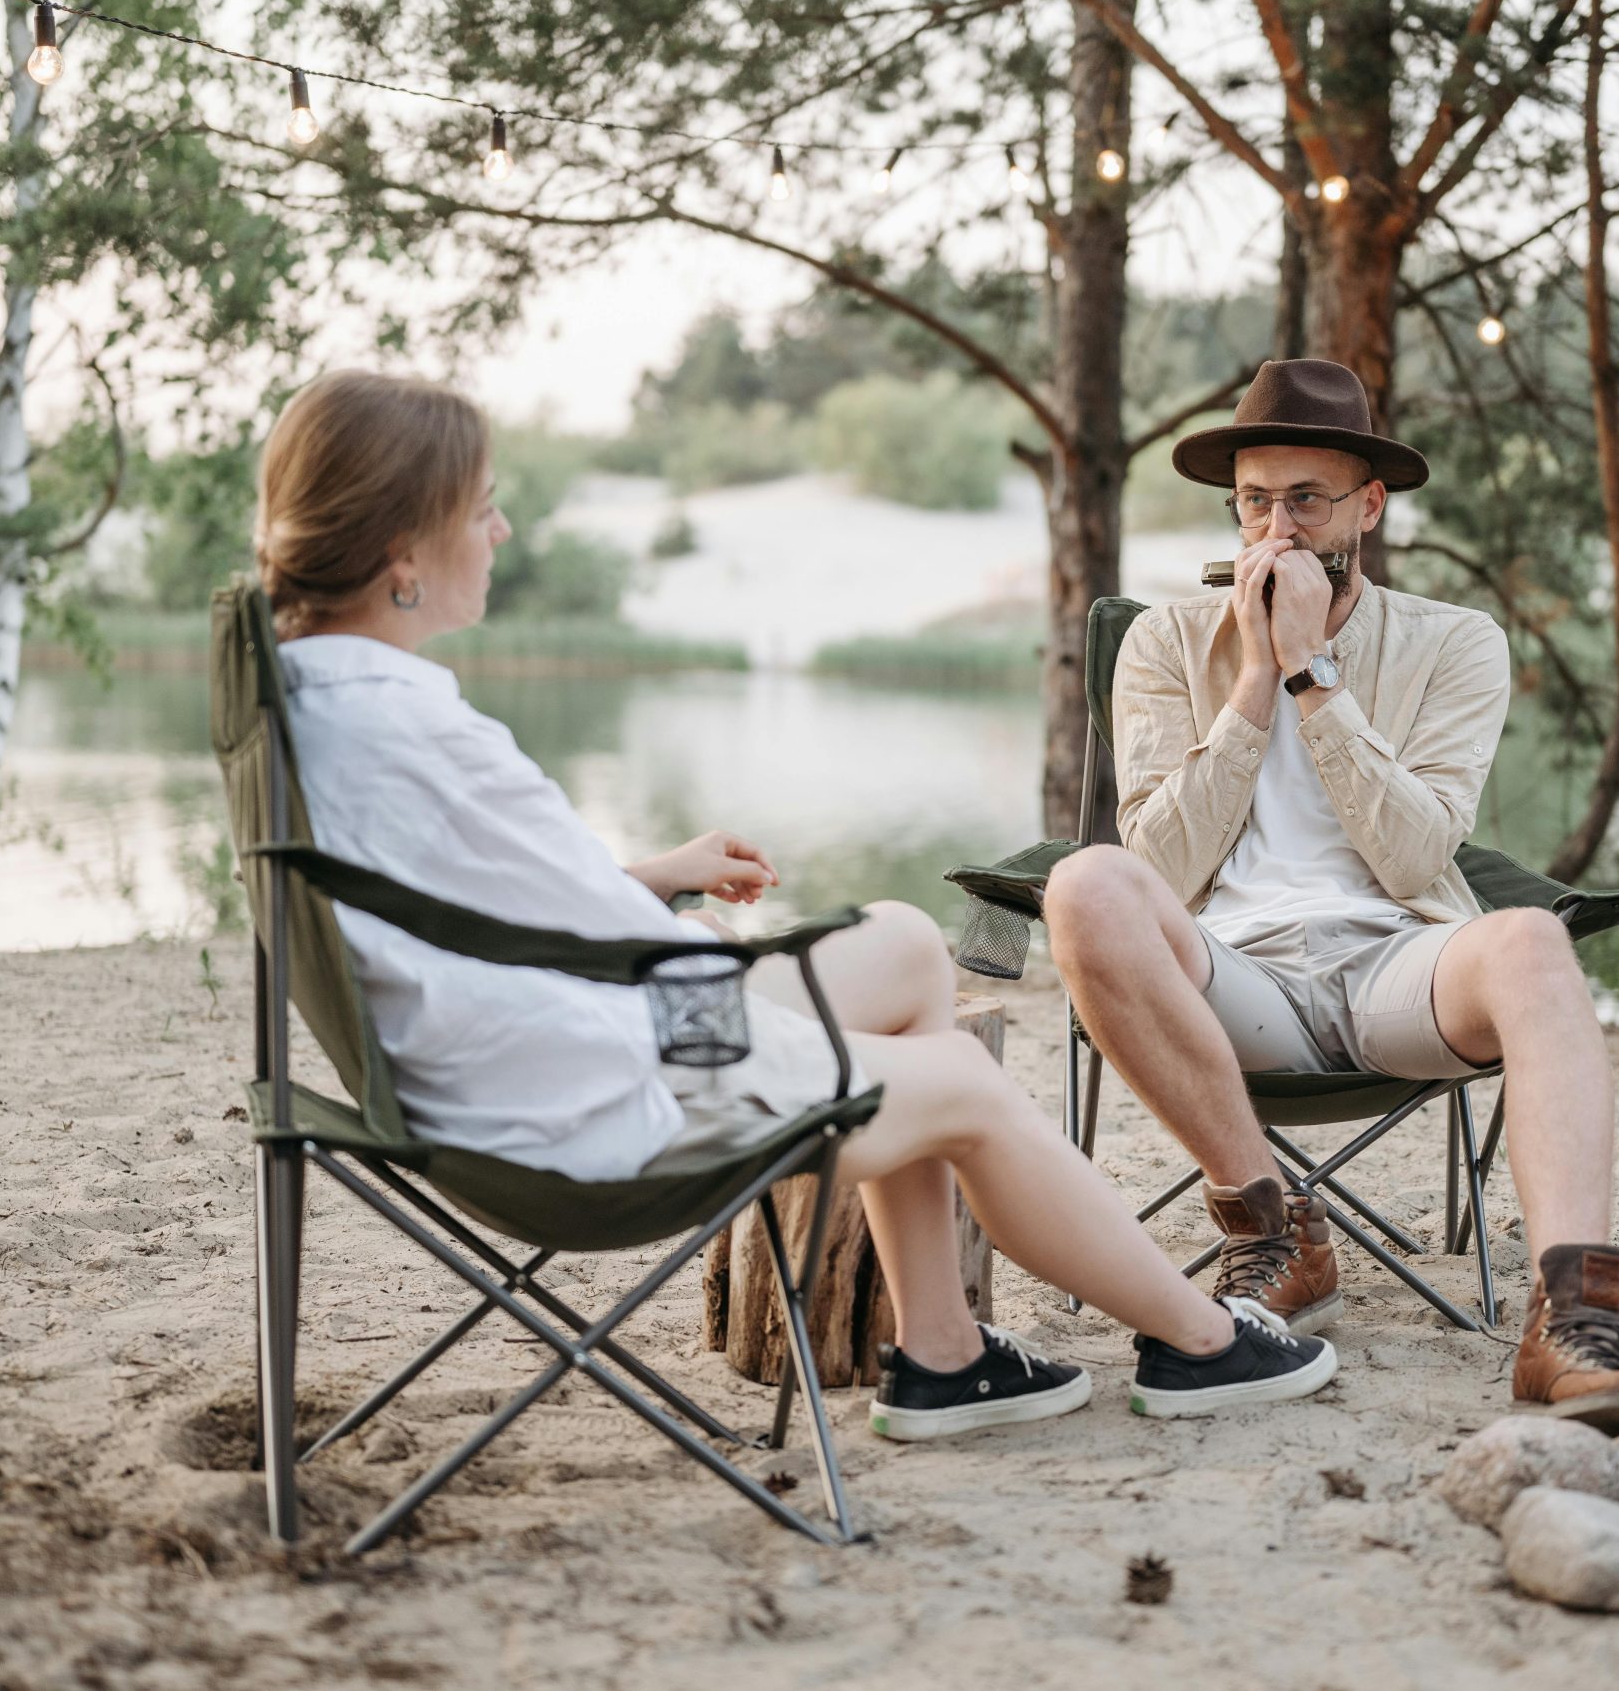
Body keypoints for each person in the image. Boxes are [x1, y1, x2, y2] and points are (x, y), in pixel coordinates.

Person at [251, 369, 1336, 1442]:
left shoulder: (322, 695)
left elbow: (481, 906)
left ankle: (942, 1353)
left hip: (538, 1043)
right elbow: (581, 932)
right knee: (961, 1079)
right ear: (403, 555)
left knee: (907, 945)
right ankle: (1204, 1342)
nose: (500, 529)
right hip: (586, 1093)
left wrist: (659, 879)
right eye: (481, 507)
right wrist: (697, 939)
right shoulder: (418, 728)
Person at [1040, 358, 1619, 1433]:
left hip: (1397, 963)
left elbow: (1417, 853)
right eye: (1254, 502)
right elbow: (1163, 867)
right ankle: (1274, 1230)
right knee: (1087, 880)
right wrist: (1252, 677)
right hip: (1231, 978)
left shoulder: (1454, 641)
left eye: (1307, 500)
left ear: (1368, 506)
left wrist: (1311, 670)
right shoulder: (1165, 639)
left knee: (1529, 941)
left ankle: (1573, 1319)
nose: (1276, 529)